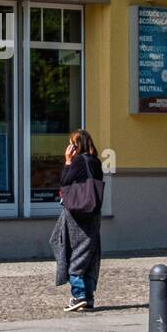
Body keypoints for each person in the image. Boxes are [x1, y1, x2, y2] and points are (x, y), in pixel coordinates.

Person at [50, 128, 106, 313]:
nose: (70, 147)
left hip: (76, 214)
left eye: (72, 143)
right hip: (93, 214)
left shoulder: (79, 161)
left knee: (73, 251)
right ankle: (88, 298)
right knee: (88, 253)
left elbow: (65, 182)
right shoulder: (96, 162)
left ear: (76, 145)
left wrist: (67, 161)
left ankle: (79, 295)